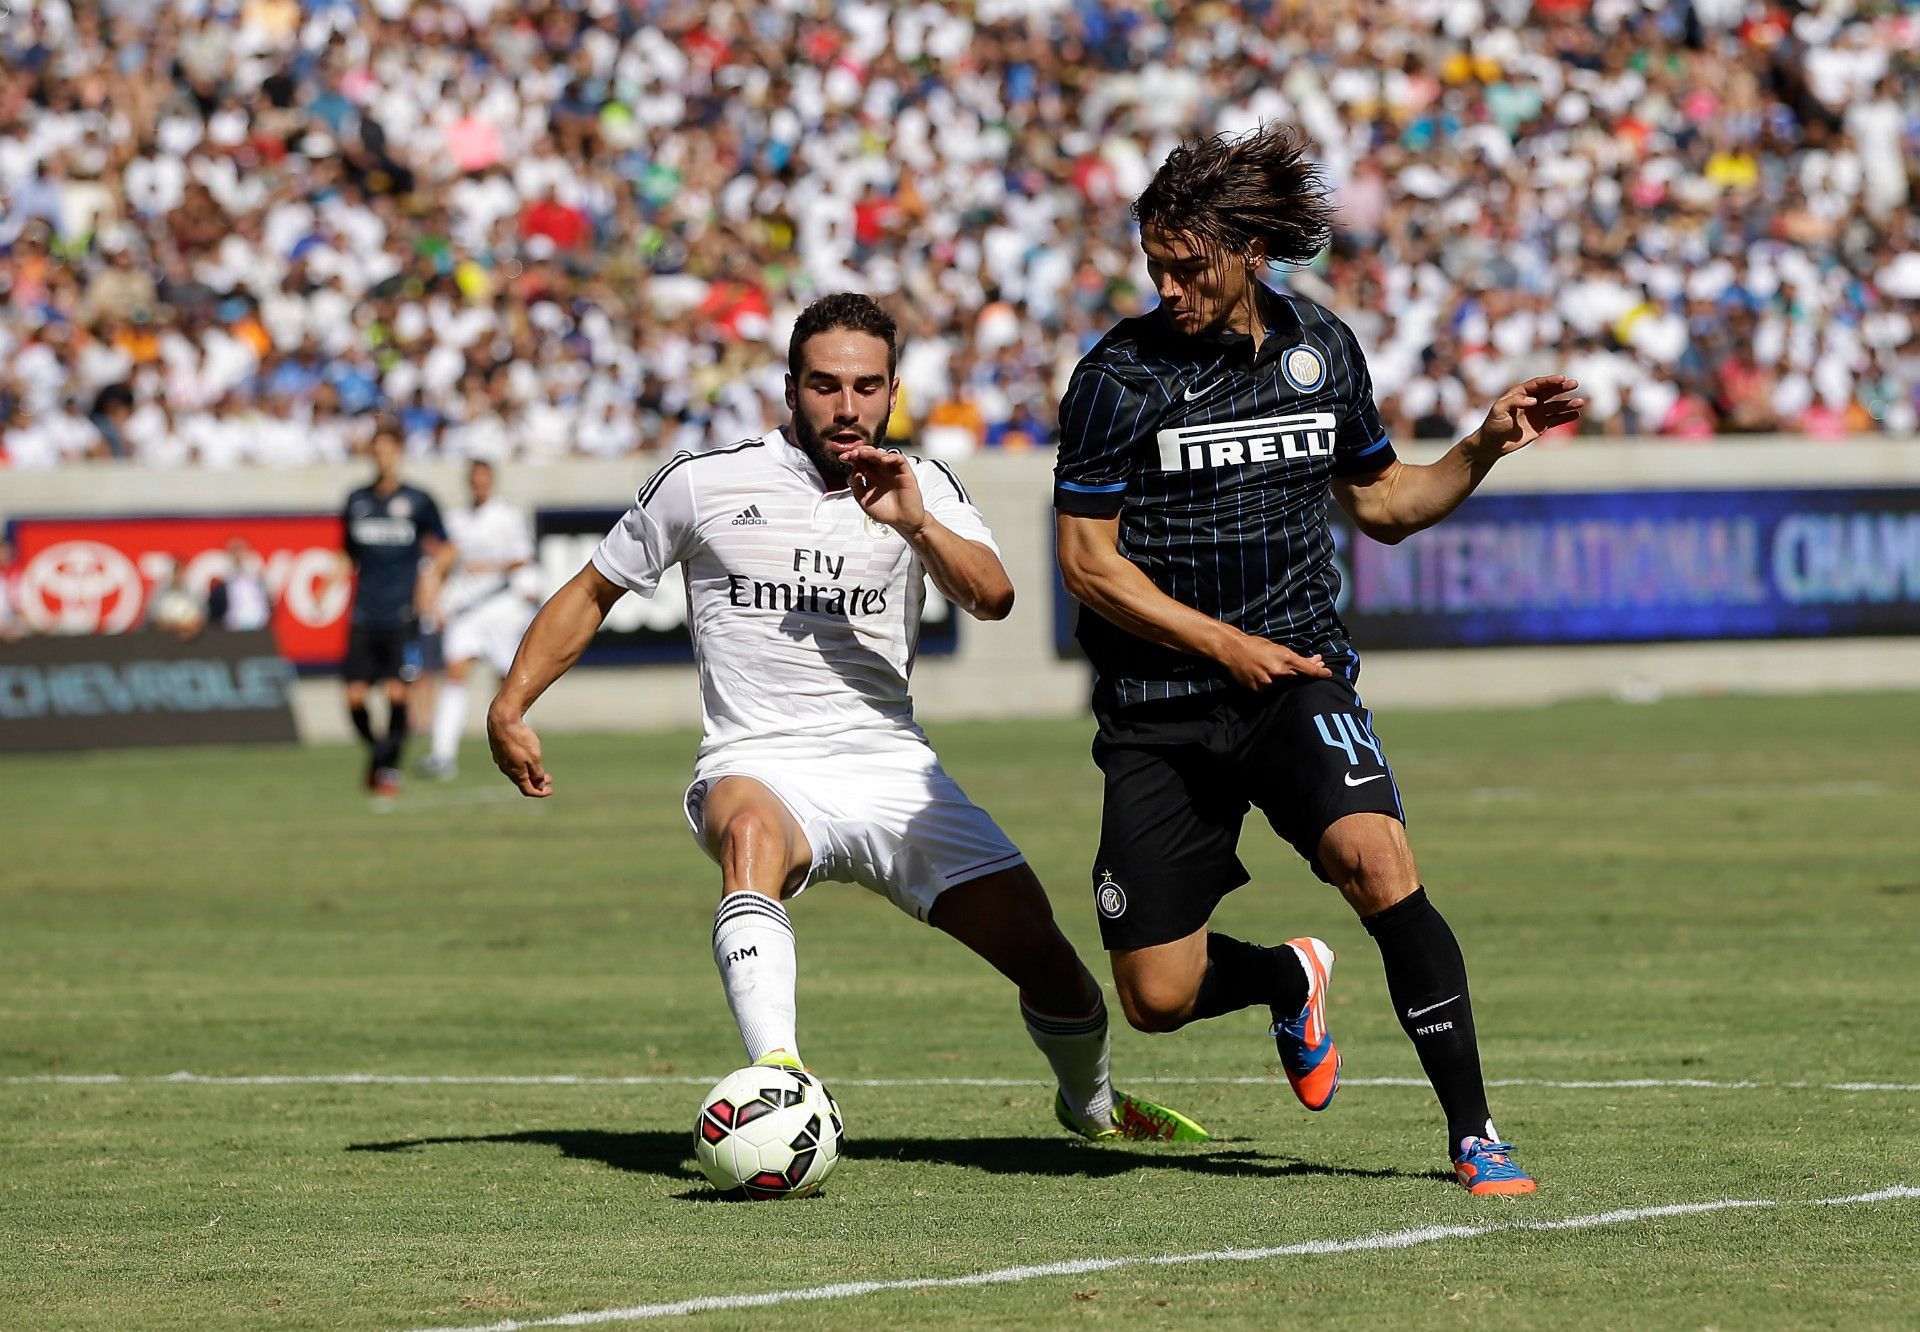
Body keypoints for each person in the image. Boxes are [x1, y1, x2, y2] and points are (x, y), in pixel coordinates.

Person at [487, 293, 1207, 1145]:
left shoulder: (923, 486)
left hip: (892, 770)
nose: (846, 405)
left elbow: (994, 597)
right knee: (749, 832)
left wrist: (916, 525)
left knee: (1051, 965)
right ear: (789, 388)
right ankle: (779, 1076)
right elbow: (593, 590)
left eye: (867, 386)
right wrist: (511, 702)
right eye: (825, 384)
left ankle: (1092, 1109)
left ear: (893, 390)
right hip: (757, 758)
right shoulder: (704, 481)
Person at [1052, 125, 1585, 1194]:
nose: (1167, 286)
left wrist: (1481, 445)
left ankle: (1474, 1133)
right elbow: (1087, 565)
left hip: (1295, 679)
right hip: (1163, 704)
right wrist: (1221, 646)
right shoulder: (1117, 376)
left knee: (1379, 862)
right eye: (1153, 265)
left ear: (1249, 247)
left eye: (1186, 265)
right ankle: (1286, 977)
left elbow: (1385, 504)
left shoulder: (1323, 351)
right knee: (1155, 997)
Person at [340, 426, 452, 796]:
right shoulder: (356, 500)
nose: (383, 458)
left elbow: (447, 546)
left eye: (389, 451)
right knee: (354, 697)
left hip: (402, 613)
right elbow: (347, 554)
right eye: (377, 452)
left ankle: (386, 770)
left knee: (395, 694)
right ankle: (379, 754)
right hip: (364, 613)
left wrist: (431, 576)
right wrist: (330, 580)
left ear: (399, 454)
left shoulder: (418, 500)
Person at [421, 459, 541, 779]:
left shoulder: (508, 517)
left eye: (484, 479)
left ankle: (520, 753)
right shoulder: (456, 520)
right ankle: (442, 754)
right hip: (466, 612)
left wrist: (491, 569)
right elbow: (443, 562)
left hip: (502, 608)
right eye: (474, 480)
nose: (479, 485)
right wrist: (438, 602)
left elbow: (523, 558)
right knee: (455, 673)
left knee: (508, 687)